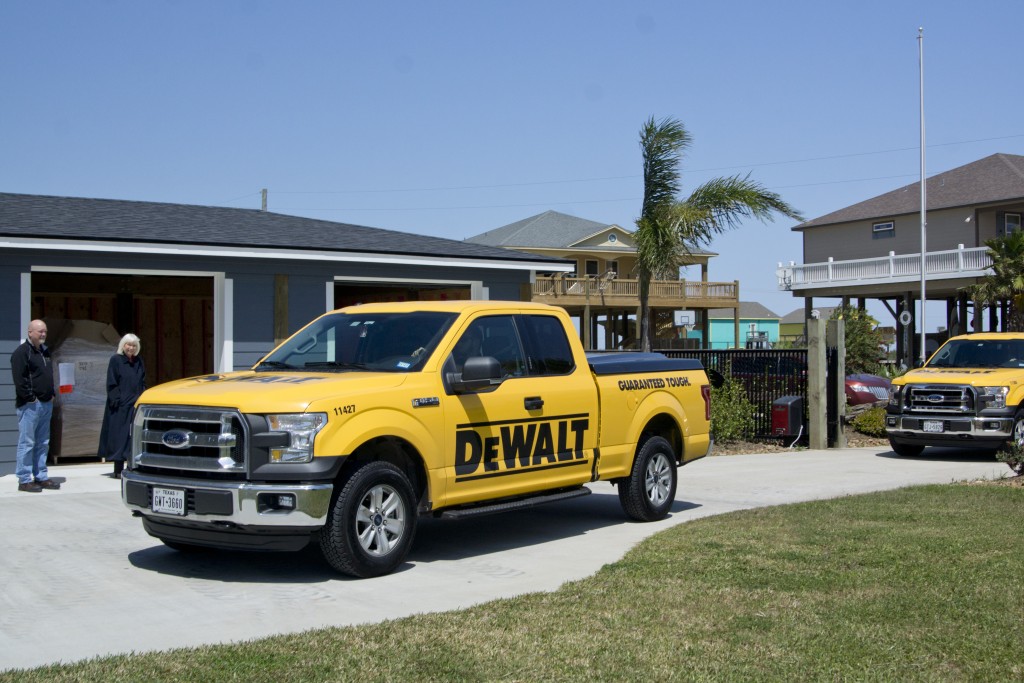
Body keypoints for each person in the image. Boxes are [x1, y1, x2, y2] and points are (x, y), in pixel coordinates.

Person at [11, 319, 60, 492]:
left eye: (45, 331)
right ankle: (24, 480)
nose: (43, 334)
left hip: (46, 403)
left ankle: (41, 476)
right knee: (27, 442)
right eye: (40, 331)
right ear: (30, 332)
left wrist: (52, 393)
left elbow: (48, 375)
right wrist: (31, 398)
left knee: (43, 442)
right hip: (30, 405)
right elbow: (20, 379)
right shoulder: (22, 352)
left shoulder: (44, 352)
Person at [98, 333, 146, 478]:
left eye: (133, 345)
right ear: (123, 346)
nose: (131, 348)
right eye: (128, 345)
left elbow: (142, 381)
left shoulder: (139, 361)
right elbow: (112, 383)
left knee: (133, 436)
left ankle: (131, 466)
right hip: (120, 405)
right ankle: (117, 470)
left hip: (135, 403)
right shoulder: (116, 360)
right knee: (119, 436)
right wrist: (117, 400)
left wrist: (142, 398)